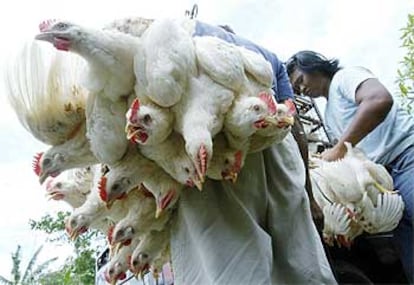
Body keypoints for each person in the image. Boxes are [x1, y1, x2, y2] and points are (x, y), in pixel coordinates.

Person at [169, 23, 337, 284]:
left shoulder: (186, 34)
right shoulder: (268, 57)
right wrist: (309, 195)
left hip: (215, 149)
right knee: (301, 259)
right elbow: (296, 126)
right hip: (277, 143)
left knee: (234, 266)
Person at [286, 50, 414, 283]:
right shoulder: (329, 114)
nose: (301, 90)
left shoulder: (345, 78)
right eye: (295, 89)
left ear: (314, 66)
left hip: (407, 157)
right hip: (392, 178)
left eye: (301, 81)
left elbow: (379, 100)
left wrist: (339, 149)